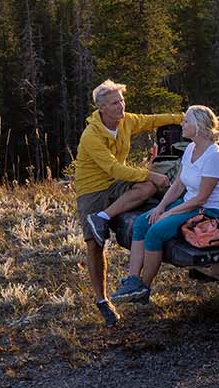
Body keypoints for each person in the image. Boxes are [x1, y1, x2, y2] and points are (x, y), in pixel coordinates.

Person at [74, 79, 183, 326]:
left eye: (122, 100)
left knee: (147, 188)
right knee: (94, 245)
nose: (121, 106)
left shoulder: (127, 120)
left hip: (115, 185)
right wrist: (151, 174)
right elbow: (114, 167)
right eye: (115, 103)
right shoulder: (91, 135)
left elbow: (151, 120)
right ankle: (102, 300)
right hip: (92, 190)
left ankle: (101, 217)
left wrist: (183, 117)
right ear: (102, 108)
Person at [112, 105, 219, 304]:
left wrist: (170, 213)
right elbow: (178, 183)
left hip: (210, 210)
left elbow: (201, 198)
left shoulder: (214, 156)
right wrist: (160, 207)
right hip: (188, 203)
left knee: (156, 232)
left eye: (186, 121)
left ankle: (144, 288)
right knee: (143, 222)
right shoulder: (191, 147)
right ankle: (132, 280)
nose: (181, 124)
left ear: (198, 126)